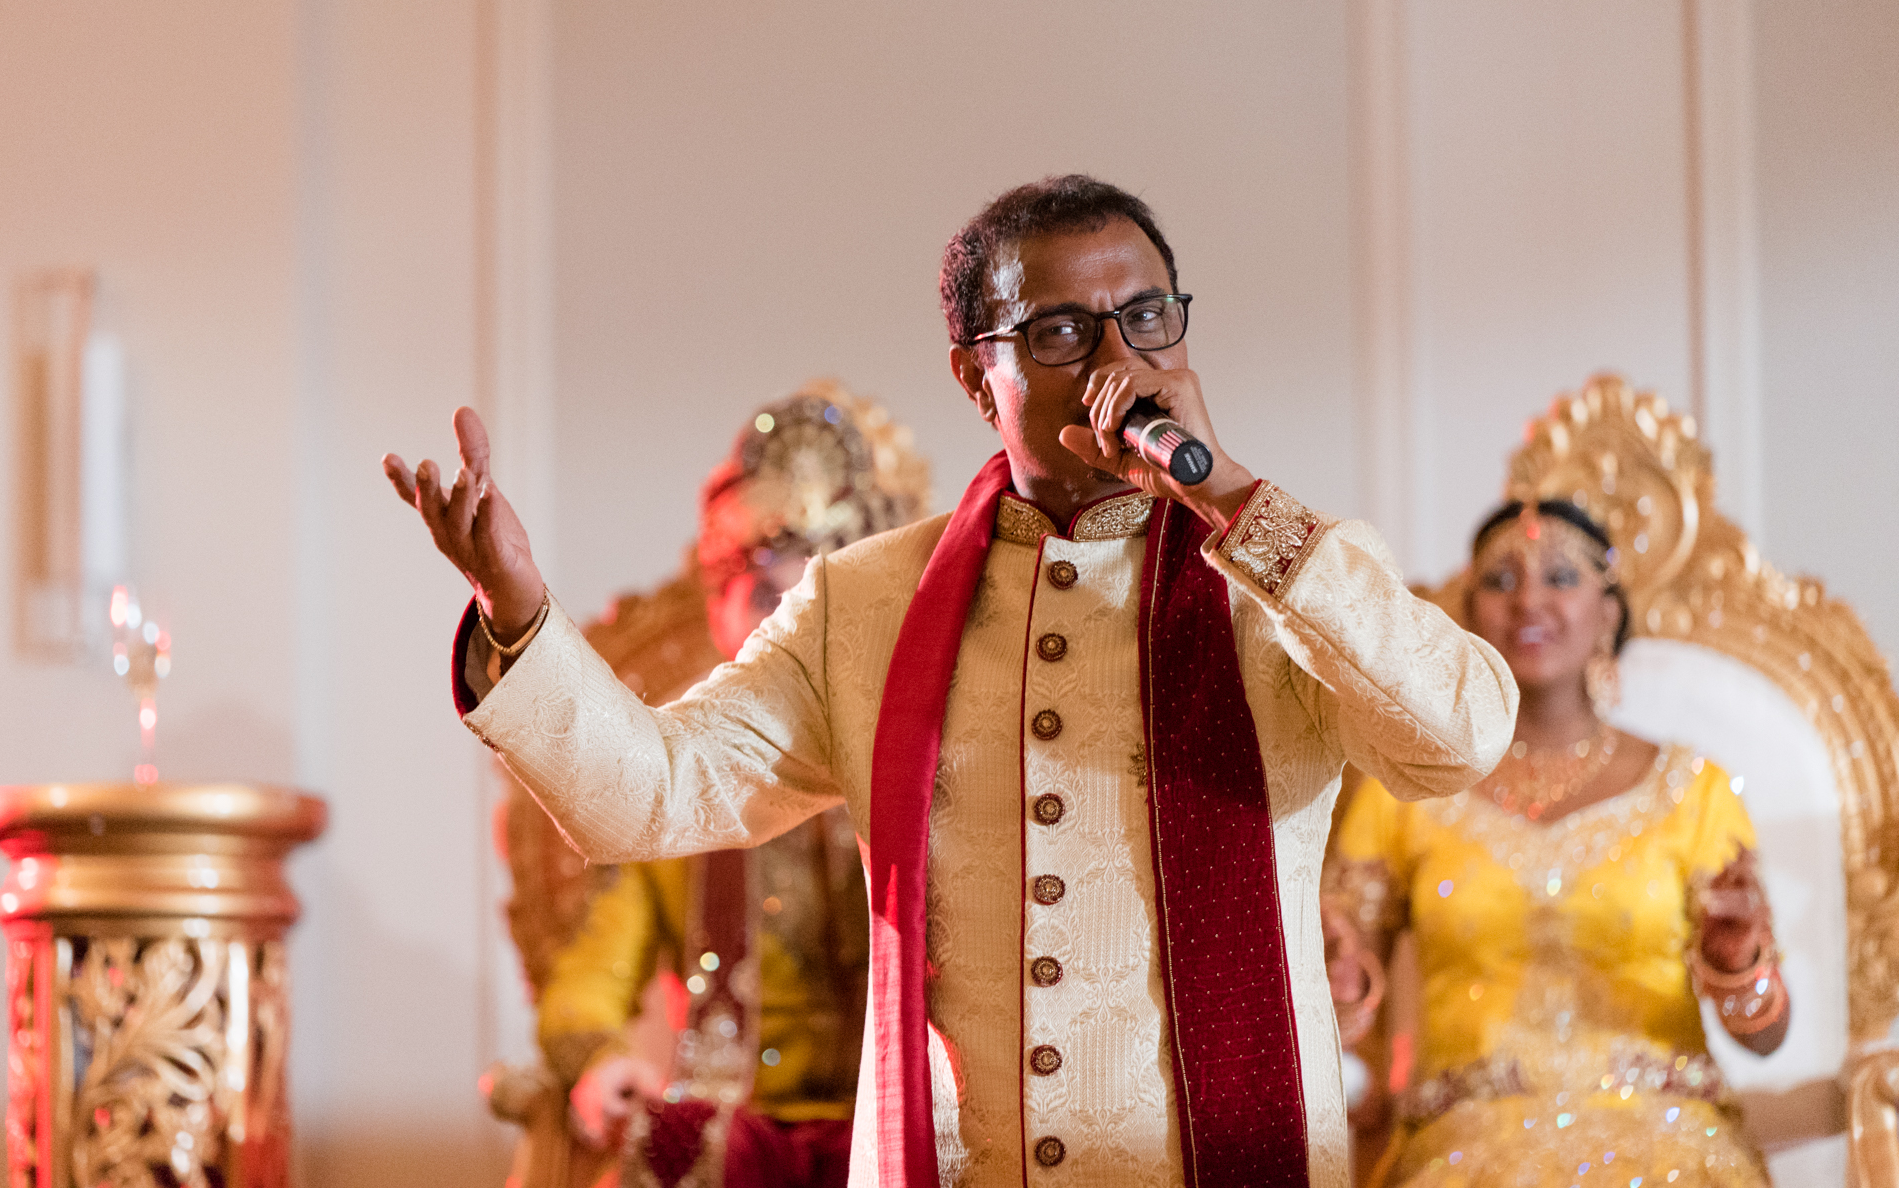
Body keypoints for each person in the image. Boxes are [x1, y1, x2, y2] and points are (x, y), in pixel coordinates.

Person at [385, 174, 1517, 1188]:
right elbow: (655, 791)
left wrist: (1231, 500)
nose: (1119, 361)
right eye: (1065, 329)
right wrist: (516, 613)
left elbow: (1457, 736)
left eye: (1147, 317)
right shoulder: (868, 602)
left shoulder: (1285, 571)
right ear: (979, 376)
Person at [1324, 500, 1789, 1188]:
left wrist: (1738, 963)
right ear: (1468, 611)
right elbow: (1338, 1002)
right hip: (1467, 1144)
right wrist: (1336, 977)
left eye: (1562, 577)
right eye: (1501, 581)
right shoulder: (1409, 787)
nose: (1530, 601)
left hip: (1674, 1141)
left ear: (1608, 611)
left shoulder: (1693, 791)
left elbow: (1766, 1037)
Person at [544, 382, 928, 1188]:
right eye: (764, 597)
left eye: (814, 606)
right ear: (716, 606)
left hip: (909, 1112)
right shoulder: (664, 776)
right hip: (739, 1132)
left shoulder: (944, 749)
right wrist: (602, 1063)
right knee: (684, 1143)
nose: (788, 634)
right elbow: (587, 987)